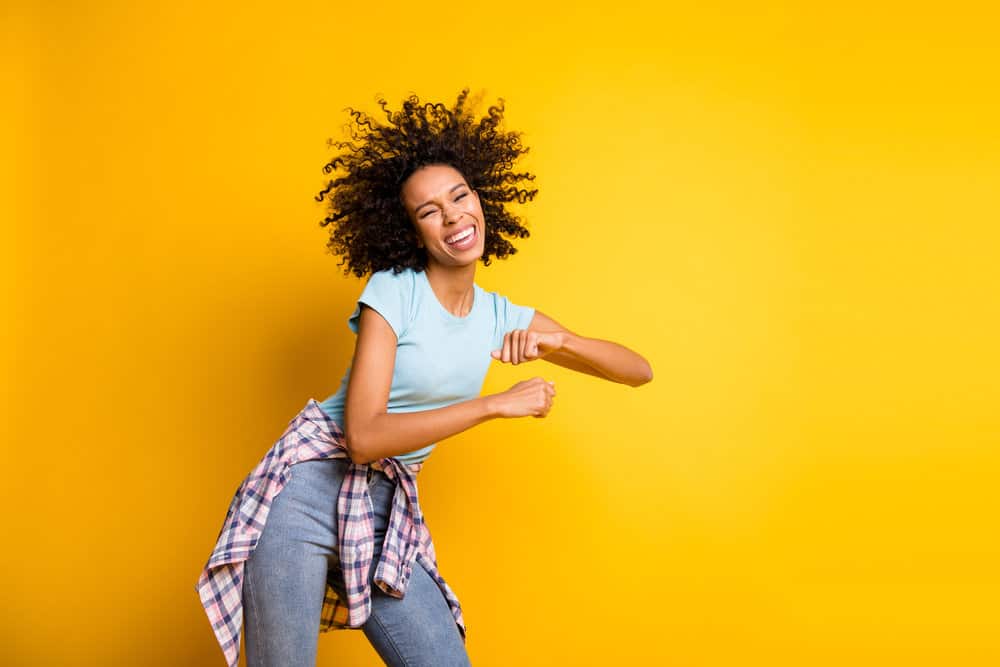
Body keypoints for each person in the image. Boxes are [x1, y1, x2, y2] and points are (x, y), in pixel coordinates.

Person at [195, 89, 653, 667]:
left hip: (385, 510)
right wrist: (493, 405)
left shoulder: (499, 317)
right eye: (429, 210)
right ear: (412, 232)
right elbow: (362, 437)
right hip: (305, 497)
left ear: (482, 200)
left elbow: (638, 371)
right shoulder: (394, 291)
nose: (454, 216)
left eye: (460, 196)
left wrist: (563, 342)